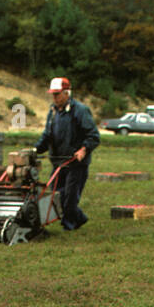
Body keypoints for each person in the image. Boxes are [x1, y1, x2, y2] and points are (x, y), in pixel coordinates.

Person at [34, 76, 100, 231]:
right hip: (58, 162)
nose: (54, 98)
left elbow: (93, 136)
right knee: (56, 195)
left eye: (57, 94)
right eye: (53, 94)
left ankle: (69, 225)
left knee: (70, 197)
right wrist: (35, 150)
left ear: (66, 93)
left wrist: (84, 149)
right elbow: (47, 136)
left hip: (76, 163)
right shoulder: (53, 112)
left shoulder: (80, 111)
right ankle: (79, 218)